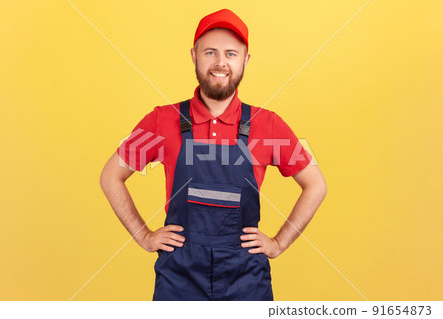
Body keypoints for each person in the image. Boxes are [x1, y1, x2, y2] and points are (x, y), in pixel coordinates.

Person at [100, 8, 327, 301]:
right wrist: (143, 236)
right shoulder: (160, 121)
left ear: (245, 60)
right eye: (210, 52)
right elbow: (111, 176)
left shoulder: (269, 125)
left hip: (246, 277)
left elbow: (316, 185)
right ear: (194, 55)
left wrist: (279, 243)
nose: (221, 63)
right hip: (179, 277)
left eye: (231, 54)